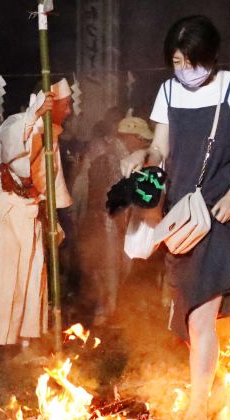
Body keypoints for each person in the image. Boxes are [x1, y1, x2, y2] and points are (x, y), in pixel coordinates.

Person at [120, 15, 230, 420]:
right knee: (190, 308)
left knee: (201, 313)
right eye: (178, 62)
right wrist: (143, 158)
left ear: (211, 58)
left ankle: (198, 408)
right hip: (181, 212)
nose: (185, 71)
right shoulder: (168, 91)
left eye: (191, 62)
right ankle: (208, 384)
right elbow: (160, 148)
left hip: (222, 210)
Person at [0, 79, 73, 368]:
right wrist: (35, 115)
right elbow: (12, 156)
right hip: (8, 216)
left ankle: (24, 343)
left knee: (32, 281)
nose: (70, 108)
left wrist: (53, 217)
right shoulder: (16, 123)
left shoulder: (52, 134)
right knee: (5, 281)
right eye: (66, 104)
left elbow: (50, 181)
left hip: (32, 216)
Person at [78, 117, 154, 327]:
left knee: (110, 269)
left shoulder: (118, 155)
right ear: (128, 137)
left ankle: (106, 316)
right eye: (140, 139)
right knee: (109, 269)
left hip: (105, 220)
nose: (142, 144)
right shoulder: (113, 158)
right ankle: (105, 319)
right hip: (106, 222)